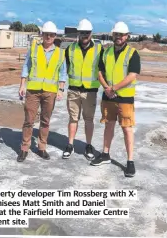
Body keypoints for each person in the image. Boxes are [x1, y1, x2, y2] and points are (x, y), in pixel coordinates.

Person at [90, 21, 141, 178]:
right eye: (116, 34)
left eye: (121, 34)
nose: (118, 37)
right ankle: (105, 154)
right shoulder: (106, 52)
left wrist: (114, 88)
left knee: (127, 128)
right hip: (108, 96)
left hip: (124, 97)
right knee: (109, 125)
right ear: (113, 35)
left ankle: (130, 161)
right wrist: (107, 87)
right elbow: (100, 72)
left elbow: (132, 75)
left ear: (127, 36)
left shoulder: (133, 53)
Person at [17, 21, 67, 162]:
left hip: (50, 92)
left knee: (45, 121)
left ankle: (41, 147)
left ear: (55, 36)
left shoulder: (60, 53)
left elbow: (63, 73)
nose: (49, 37)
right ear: (42, 35)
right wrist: (22, 85)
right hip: (33, 90)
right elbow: (26, 67)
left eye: (51, 35)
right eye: (46, 34)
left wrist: (61, 89)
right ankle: (24, 148)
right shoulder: (34, 48)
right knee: (29, 120)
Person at [62, 19, 103, 160]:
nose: (85, 35)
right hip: (73, 90)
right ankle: (70, 145)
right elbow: (64, 69)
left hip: (90, 91)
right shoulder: (70, 49)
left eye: (87, 32)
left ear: (91, 33)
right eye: (82, 32)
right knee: (73, 118)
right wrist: (60, 86)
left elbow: (104, 69)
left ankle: (88, 145)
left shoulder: (99, 49)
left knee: (89, 119)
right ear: (78, 33)